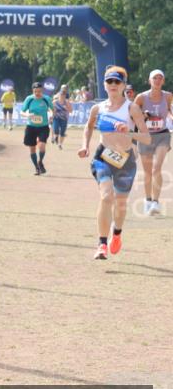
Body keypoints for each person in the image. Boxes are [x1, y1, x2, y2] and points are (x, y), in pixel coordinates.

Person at [78, 66, 152, 259]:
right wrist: (85, 145)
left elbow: (146, 138)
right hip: (103, 157)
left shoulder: (132, 108)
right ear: (104, 84)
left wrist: (127, 131)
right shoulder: (98, 108)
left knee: (120, 203)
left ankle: (116, 234)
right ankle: (102, 244)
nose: (113, 85)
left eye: (117, 81)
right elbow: (88, 127)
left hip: (126, 161)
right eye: (109, 81)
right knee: (106, 196)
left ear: (123, 85)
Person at [133, 69, 172, 216]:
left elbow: (170, 111)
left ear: (163, 81)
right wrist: (144, 115)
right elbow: (133, 115)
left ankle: (156, 202)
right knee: (148, 172)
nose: (157, 80)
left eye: (160, 78)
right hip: (145, 136)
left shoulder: (168, 96)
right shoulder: (141, 97)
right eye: (155, 78)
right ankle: (148, 200)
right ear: (150, 81)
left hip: (162, 135)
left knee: (157, 168)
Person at [20, 82, 52, 175]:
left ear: (42, 90)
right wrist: (27, 115)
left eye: (39, 91)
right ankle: (37, 168)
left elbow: (52, 109)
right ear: (32, 91)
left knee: (42, 146)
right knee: (32, 148)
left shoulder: (46, 99)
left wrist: (51, 115)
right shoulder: (29, 99)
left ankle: (40, 161)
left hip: (43, 127)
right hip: (31, 127)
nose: (37, 93)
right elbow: (22, 112)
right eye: (35, 91)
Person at [51, 84, 73, 149]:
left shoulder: (67, 102)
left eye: (63, 95)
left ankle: (60, 144)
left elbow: (71, 111)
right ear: (59, 95)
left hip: (64, 119)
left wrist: (67, 108)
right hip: (56, 118)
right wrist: (52, 112)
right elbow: (50, 109)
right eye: (61, 95)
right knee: (56, 129)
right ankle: (55, 137)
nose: (62, 96)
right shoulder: (55, 102)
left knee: (63, 132)